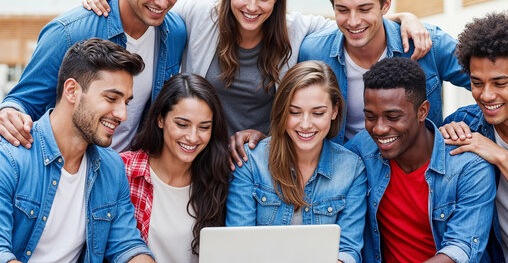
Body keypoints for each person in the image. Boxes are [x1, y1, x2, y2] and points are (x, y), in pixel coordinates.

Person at [83, 0, 431, 168]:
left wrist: (403, 18)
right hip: (197, 156)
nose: (252, 6)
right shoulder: (199, 16)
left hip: (259, 162)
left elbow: (352, 21)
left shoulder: (297, 29)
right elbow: (151, 4)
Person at [0, 0, 188, 152]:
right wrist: (9, 112)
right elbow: (23, 102)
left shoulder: (176, 32)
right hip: (68, 169)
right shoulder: (69, 33)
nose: (162, 1)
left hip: (128, 173)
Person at [0, 38, 155, 263]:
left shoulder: (111, 168)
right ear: (72, 91)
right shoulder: (10, 159)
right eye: (111, 98)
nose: (122, 115)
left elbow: (127, 246)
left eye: (126, 102)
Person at [298, 0, 470, 144]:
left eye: (364, 9)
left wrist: (457, 124)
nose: (353, 21)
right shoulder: (312, 52)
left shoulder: (428, 43)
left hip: (416, 169)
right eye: (343, 10)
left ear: (386, 4)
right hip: (346, 169)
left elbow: (499, 84)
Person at [346, 57, 496, 263]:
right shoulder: (361, 149)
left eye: (393, 117)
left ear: (422, 111)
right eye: (370, 117)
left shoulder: (469, 167)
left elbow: (461, 249)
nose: (379, 128)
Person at [225, 60, 367, 263]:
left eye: (318, 113)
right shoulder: (251, 162)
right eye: (295, 112)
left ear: (335, 111)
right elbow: (239, 245)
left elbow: (347, 251)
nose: (306, 124)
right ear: (283, 110)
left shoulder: (352, 169)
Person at [120, 73, 231, 262]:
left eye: (204, 127)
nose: (193, 137)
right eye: (182, 124)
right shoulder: (125, 170)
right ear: (160, 120)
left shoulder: (219, 176)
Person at [439, 11, 508, 262]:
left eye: (500, 83)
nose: (486, 95)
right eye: (477, 83)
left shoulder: (491, 145)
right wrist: (442, 135)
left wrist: (500, 156)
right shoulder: (465, 124)